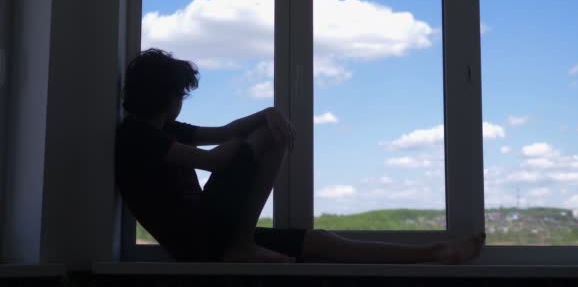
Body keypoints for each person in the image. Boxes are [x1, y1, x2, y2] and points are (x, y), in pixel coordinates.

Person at [115, 48, 486, 264]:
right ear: (164, 94)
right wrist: (263, 129)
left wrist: (266, 113)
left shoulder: (164, 129)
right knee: (265, 137)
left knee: (320, 240)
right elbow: (216, 161)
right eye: (180, 94)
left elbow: (225, 132)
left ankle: (434, 252)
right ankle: (243, 244)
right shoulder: (136, 136)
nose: (182, 102)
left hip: (213, 234)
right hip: (198, 245)